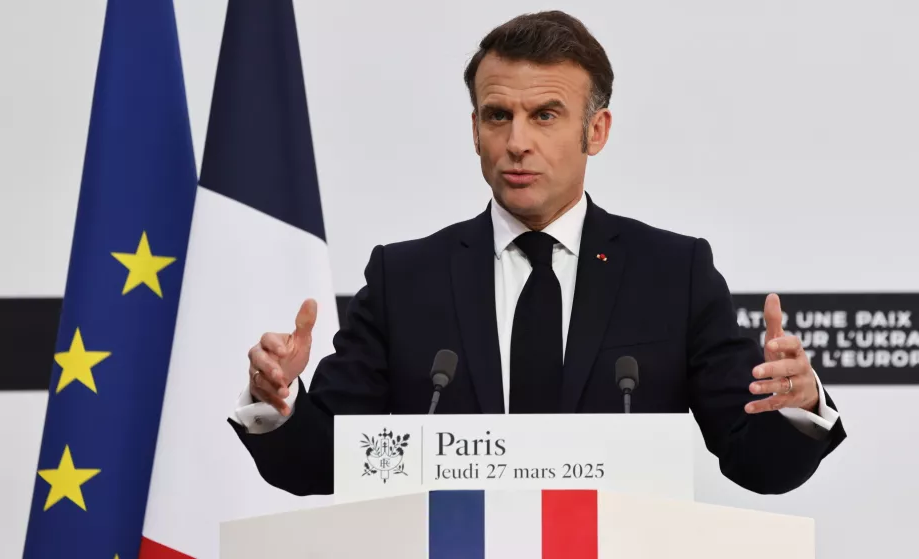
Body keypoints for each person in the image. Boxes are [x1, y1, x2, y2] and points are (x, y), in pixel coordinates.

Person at [228, 10, 845, 497]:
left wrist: (800, 404)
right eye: (498, 115)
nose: (517, 142)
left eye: (545, 114)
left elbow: (758, 463)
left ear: (595, 131)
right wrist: (280, 402)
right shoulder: (405, 279)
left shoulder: (672, 274)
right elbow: (323, 462)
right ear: (474, 130)